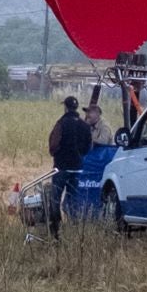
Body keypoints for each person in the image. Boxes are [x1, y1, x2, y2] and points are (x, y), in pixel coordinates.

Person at [47, 93, 93, 237]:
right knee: (73, 200)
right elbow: (88, 147)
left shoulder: (61, 123)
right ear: (76, 108)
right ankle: (74, 230)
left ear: (66, 108)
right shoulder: (84, 125)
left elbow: (53, 145)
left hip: (61, 168)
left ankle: (56, 231)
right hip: (77, 168)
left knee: (55, 199)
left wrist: (57, 155)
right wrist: (79, 156)